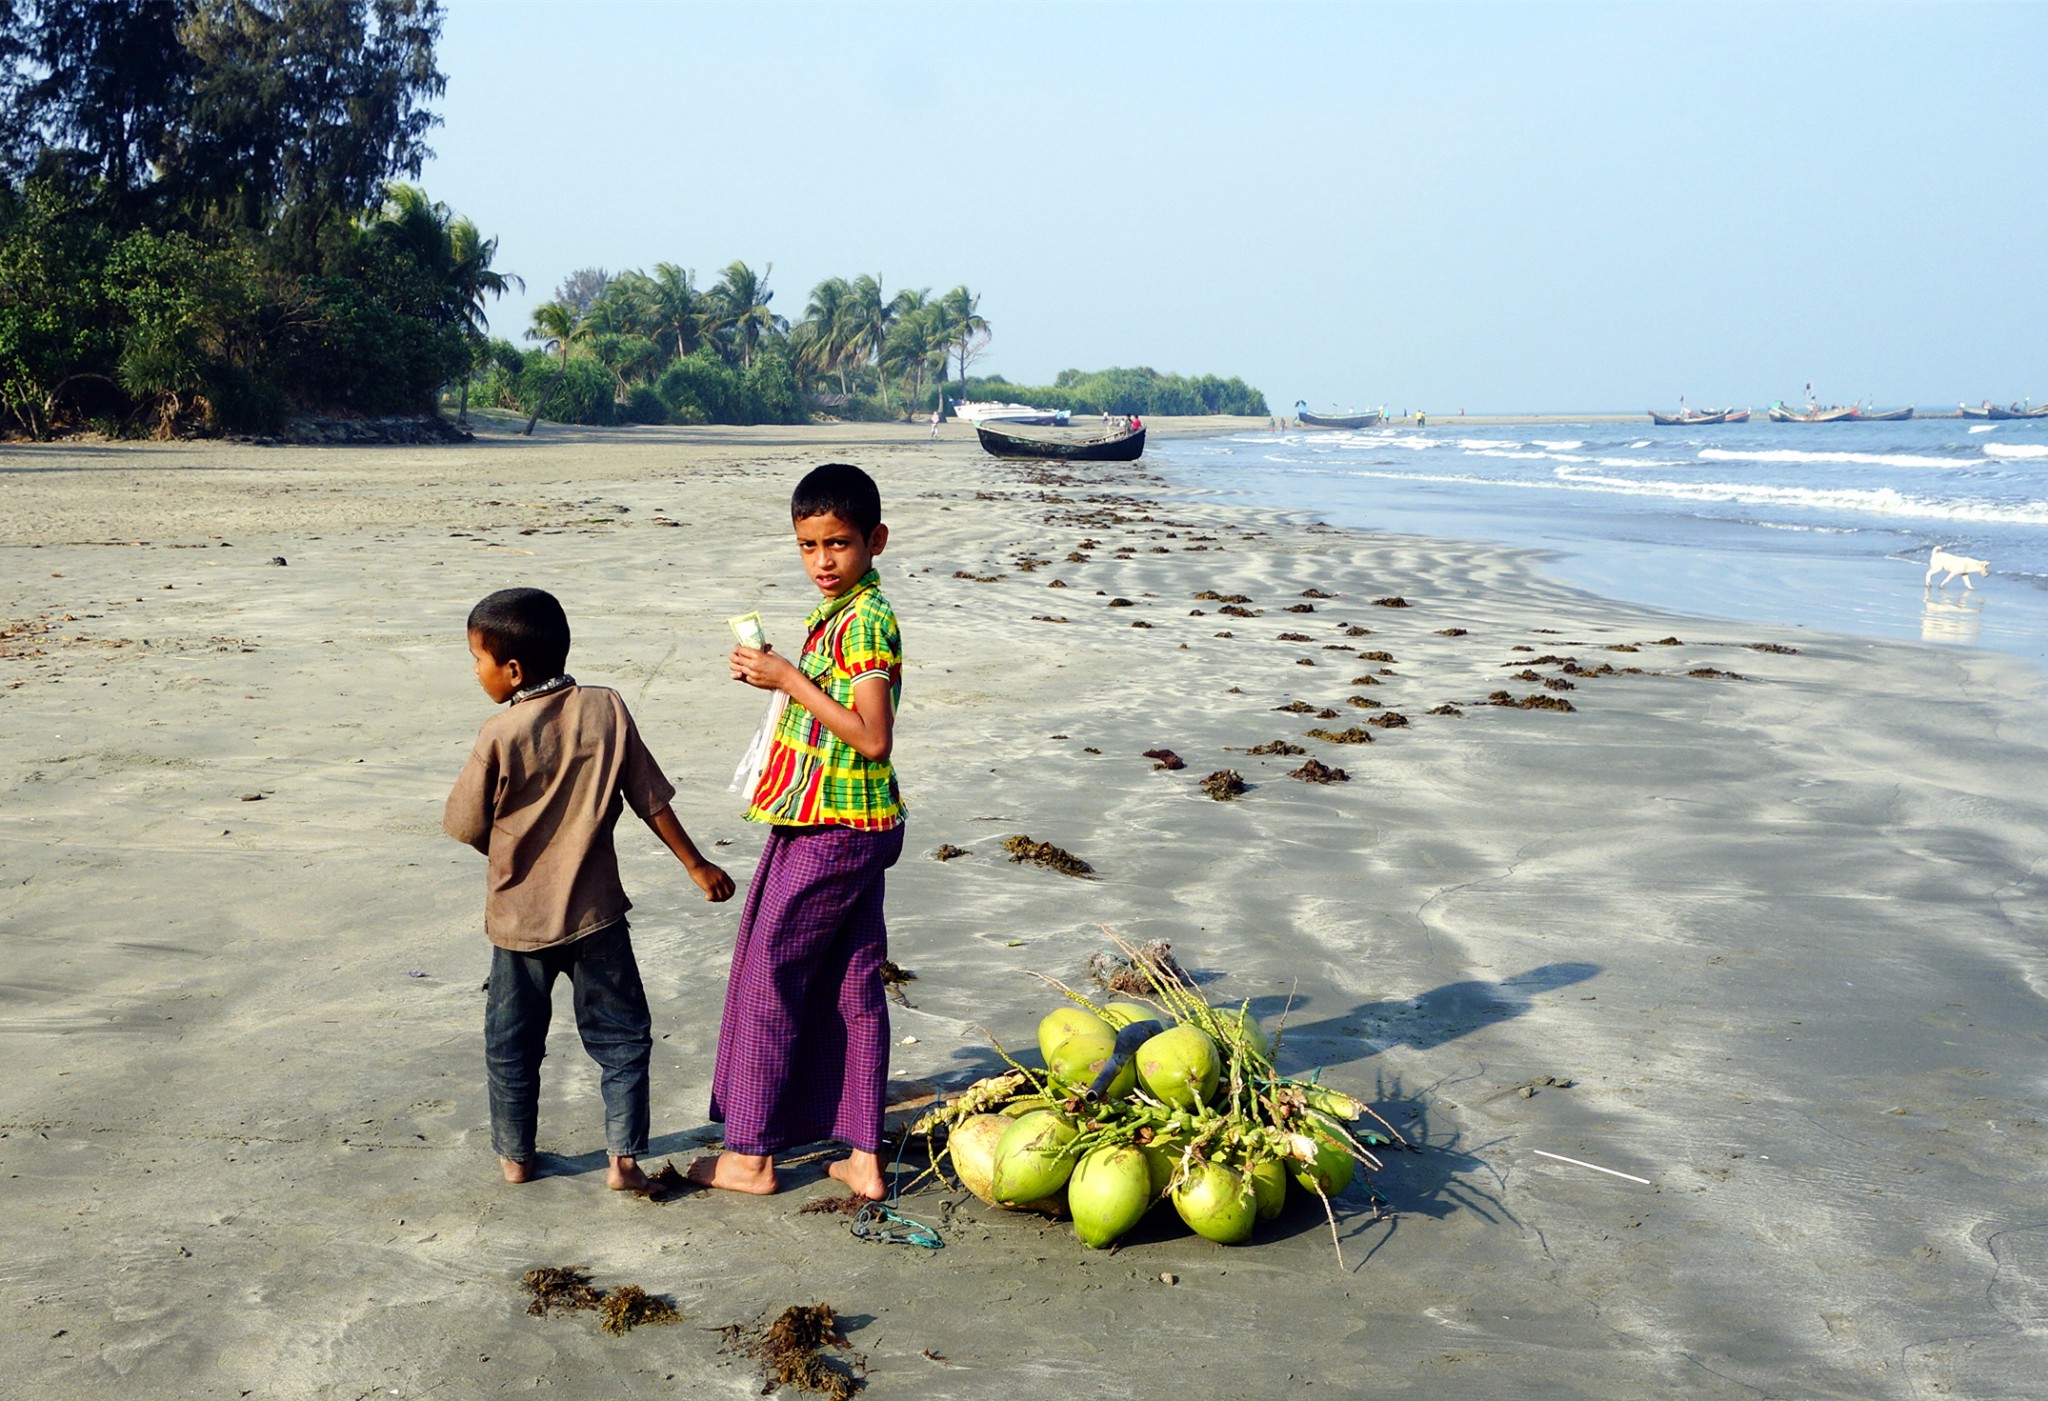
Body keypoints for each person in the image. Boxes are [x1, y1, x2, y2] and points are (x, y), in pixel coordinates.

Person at [444, 587, 734, 1189]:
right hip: (597, 914)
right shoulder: (606, 708)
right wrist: (695, 864)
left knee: (512, 1045)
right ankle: (623, 1161)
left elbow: (467, 825)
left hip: (519, 923)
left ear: (513, 669)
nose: (476, 672)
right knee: (623, 1037)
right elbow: (647, 795)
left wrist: (512, 854)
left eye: (478, 660)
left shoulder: (498, 733)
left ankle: (515, 1159)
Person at [693, 463, 905, 1200]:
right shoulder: (842, 614)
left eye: (839, 543)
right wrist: (779, 674)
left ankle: (749, 1155)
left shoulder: (867, 620)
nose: (823, 560)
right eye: (809, 545)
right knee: (854, 979)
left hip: (832, 829)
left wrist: (786, 678)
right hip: (856, 823)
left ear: (874, 541)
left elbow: (873, 736)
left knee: (768, 976)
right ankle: (863, 1156)